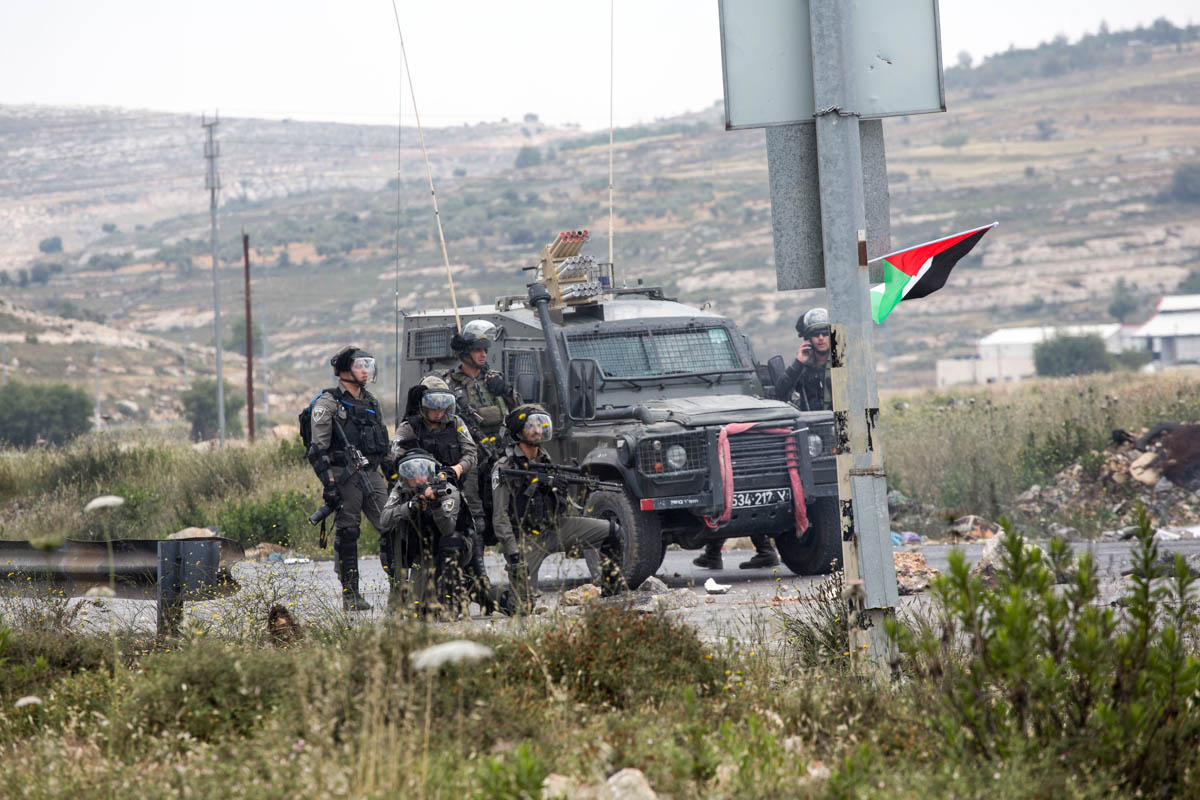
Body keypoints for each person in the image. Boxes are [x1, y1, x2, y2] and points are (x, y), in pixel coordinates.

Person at [491, 404, 624, 614]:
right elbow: (500, 516)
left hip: (556, 528)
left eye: (540, 425)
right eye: (531, 426)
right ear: (518, 432)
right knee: (522, 609)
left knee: (613, 532)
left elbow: (562, 509)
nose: (537, 430)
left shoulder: (546, 460)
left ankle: (612, 593)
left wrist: (560, 493)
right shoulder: (505, 466)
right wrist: (513, 553)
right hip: (526, 539)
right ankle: (490, 596)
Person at [389, 375, 494, 611]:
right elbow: (395, 454)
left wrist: (455, 470)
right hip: (418, 496)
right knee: (403, 545)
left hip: (451, 494)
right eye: (433, 404)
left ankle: (464, 593)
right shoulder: (410, 427)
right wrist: (418, 470)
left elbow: (470, 454)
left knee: (460, 539)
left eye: (442, 404)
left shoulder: (456, 423)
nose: (438, 411)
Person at [308, 346, 391, 611]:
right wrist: (330, 485)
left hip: (371, 473)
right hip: (345, 476)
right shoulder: (328, 403)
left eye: (368, 365)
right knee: (348, 531)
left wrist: (394, 474)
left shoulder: (371, 401)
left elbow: (382, 443)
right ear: (344, 370)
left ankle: (402, 588)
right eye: (359, 365)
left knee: (392, 526)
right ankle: (350, 593)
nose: (365, 370)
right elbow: (317, 450)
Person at [380, 450, 472, 618]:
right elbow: (384, 520)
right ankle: (398, 593)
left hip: (452, 550)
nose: (419, 480)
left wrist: (435, 505)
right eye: (412, 476)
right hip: (423, 553)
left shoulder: (447, 489)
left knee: (451, 541)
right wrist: (409, 507)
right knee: (416, 611)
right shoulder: (401, 490)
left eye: (422, 474)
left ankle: (453, 596)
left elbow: (448, 529)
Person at [776, 307, 832, 413]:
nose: (821, 338)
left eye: (825, 334)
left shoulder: (842, 364)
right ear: (808, 339)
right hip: (812, 425)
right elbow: (780, 392)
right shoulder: (802, 368)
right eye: (816, 334)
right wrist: (799, 362)